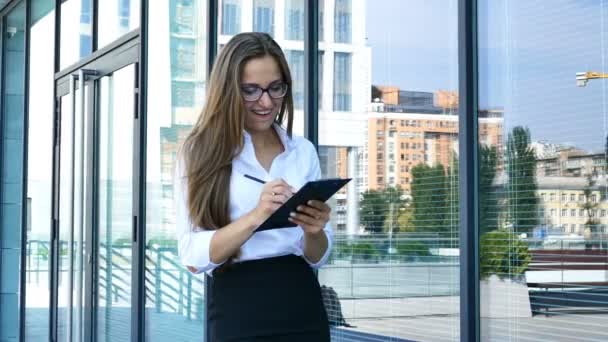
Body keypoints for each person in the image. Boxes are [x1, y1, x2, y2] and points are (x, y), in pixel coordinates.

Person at [175, 32, 332, 341]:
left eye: (276, 88)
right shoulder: (199, 153)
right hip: (238, 309)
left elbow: (319, 256)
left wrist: (313, 231)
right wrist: (256, 216)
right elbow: (192, 256)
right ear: (228, 91)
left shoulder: (303, 151)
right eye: (250, 90)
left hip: (302, 303)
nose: (266, 101)